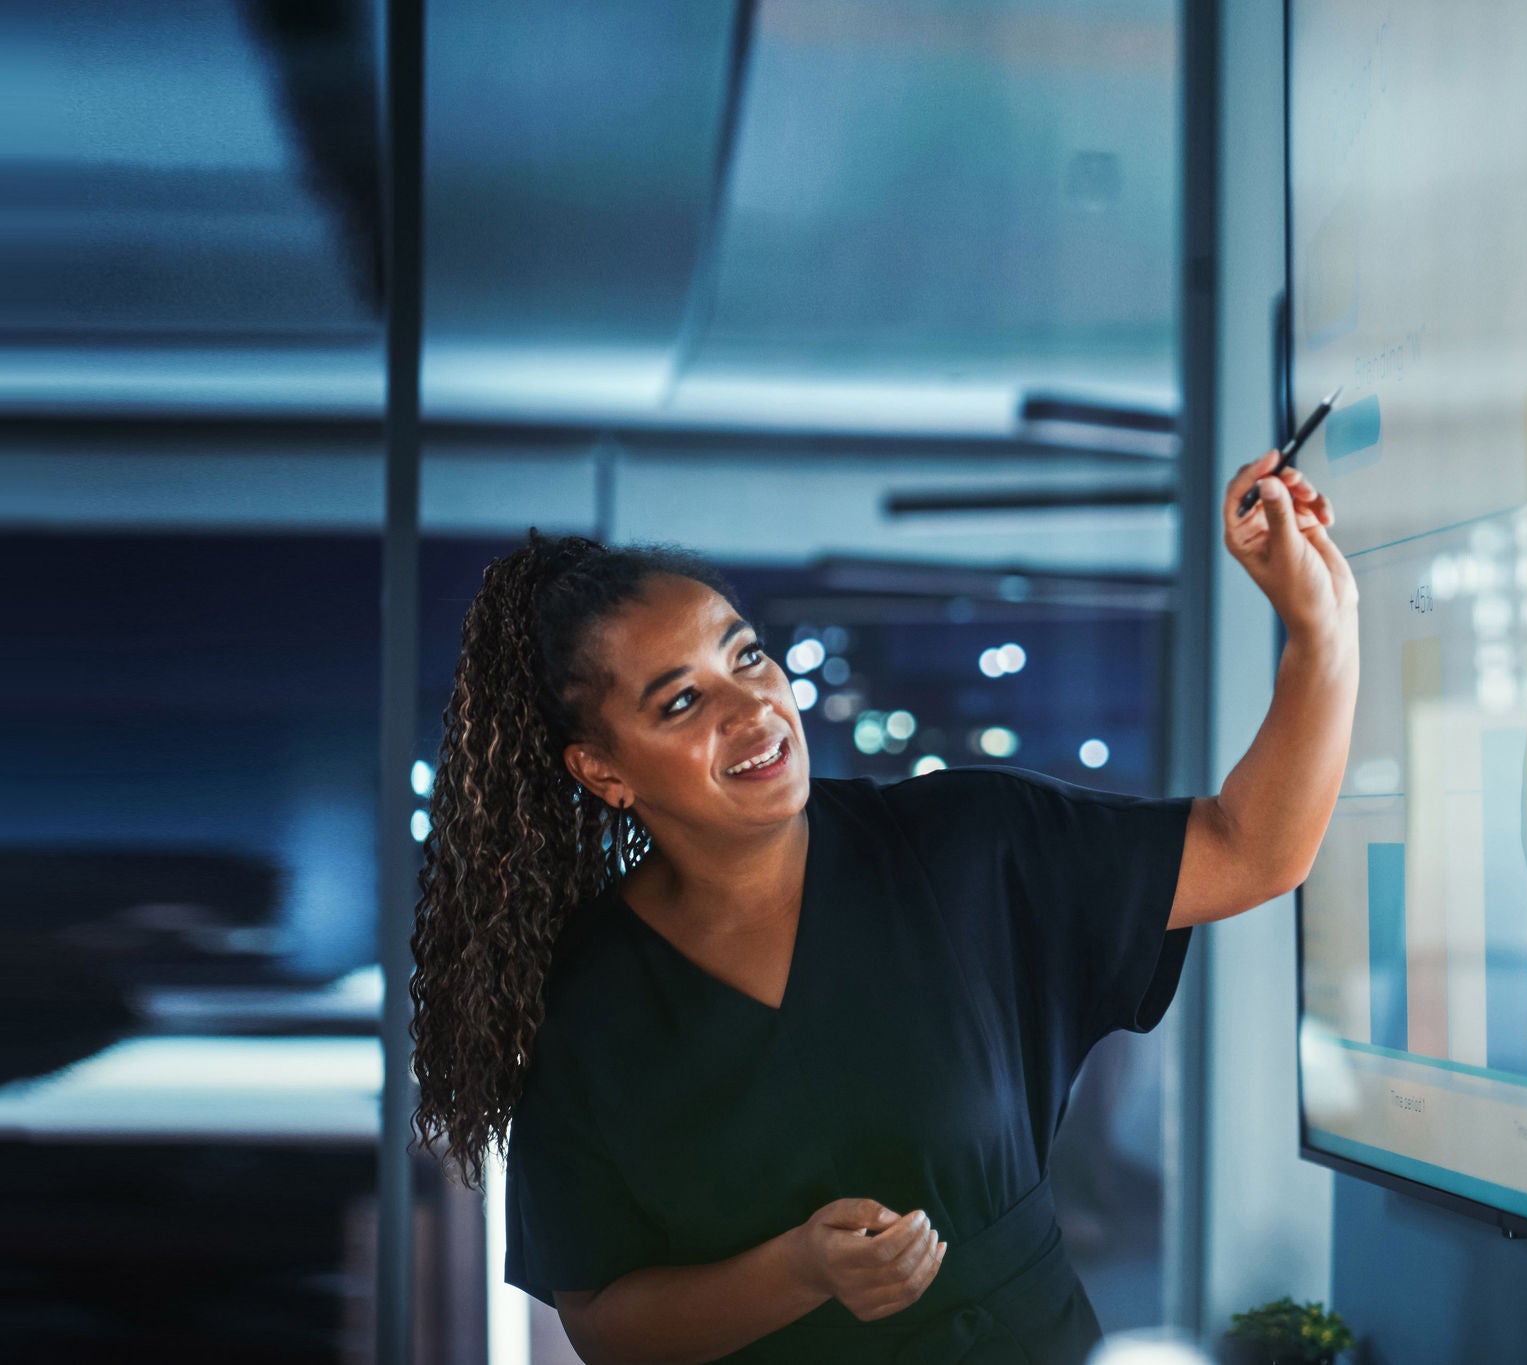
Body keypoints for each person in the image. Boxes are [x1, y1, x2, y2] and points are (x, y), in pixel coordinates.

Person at [408, 450, 1358, 1365]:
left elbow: (1251, 848)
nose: (751, 708)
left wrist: (1321, 629)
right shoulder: (588, 1002)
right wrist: (798, 1270)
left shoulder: (967, 845)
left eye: (747, 656)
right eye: (681, 702)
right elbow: (604, 1324)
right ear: (601, 770)